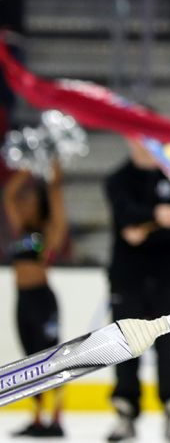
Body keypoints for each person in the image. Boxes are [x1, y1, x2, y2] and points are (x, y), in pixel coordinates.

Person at [104, 139, 170, 442]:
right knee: (126, 346)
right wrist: (158, 215)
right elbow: (125, 219)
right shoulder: (118, 179)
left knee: (168, 347)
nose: (142, 146)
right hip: (127, 278)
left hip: (166, 277)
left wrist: (152, 224)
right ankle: (125, 411)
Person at [3, 161, 66, 437]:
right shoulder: (21, 230)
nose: (25, 204)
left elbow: (55, 199)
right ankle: (38, 418)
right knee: (29, 359)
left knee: (49, 358)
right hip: (22, 299)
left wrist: (51, 177)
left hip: (42, 300)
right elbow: (8, 195)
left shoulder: (48, 232)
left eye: (31, 200)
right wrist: (28, 168)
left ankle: (57, 417)